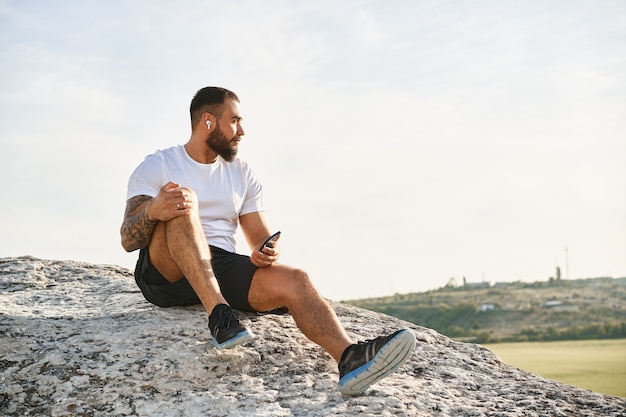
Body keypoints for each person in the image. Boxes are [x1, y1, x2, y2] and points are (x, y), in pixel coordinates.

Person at [120, 86, 416, 396]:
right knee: (183, 201)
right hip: (166, 268)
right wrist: (153, 210)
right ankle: (219, 316)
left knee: (296, 280)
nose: (242, 131)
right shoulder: (160, 165)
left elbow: (258, 237)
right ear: (207, 122)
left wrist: (266, 251)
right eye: (235, 121)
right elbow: (128, 238)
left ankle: (349, 358)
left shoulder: (242, 174)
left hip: (217, 265)